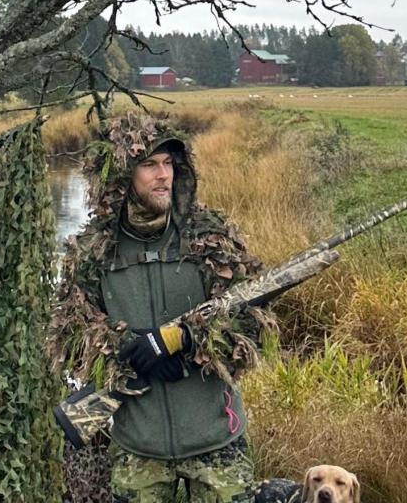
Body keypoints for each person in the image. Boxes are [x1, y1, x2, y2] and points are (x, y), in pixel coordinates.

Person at [53, 111, 272, 503]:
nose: (164, 176)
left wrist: (184, 341)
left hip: (217, 440)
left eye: (169, 164)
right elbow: (69, 333)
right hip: (139, 447)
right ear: (122, 177)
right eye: (149, 165)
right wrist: (132, 350)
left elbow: (251, 323)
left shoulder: (209, 237)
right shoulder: (93, 252)